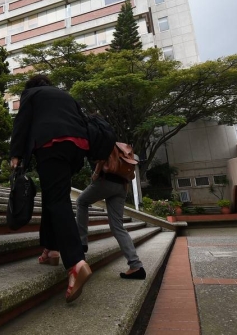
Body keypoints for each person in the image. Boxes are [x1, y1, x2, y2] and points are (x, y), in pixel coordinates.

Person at [10, 74, 92, 303]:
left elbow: (22, 123)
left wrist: (16, 154)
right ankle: (52, 250)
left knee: (58, 202)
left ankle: (76, 263)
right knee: (54, 197)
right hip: (76, 148)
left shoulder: (31, 94)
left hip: (51, 145)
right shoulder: (65, 95)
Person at [77, 158, 146, 280]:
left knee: (81, 201)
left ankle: (82, 242)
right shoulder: (120, 145)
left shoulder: (102, 139)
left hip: (106, 180)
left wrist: (96, 173)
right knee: (117, 227)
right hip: (121, 185)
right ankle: (136, 266)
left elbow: (102, 157)